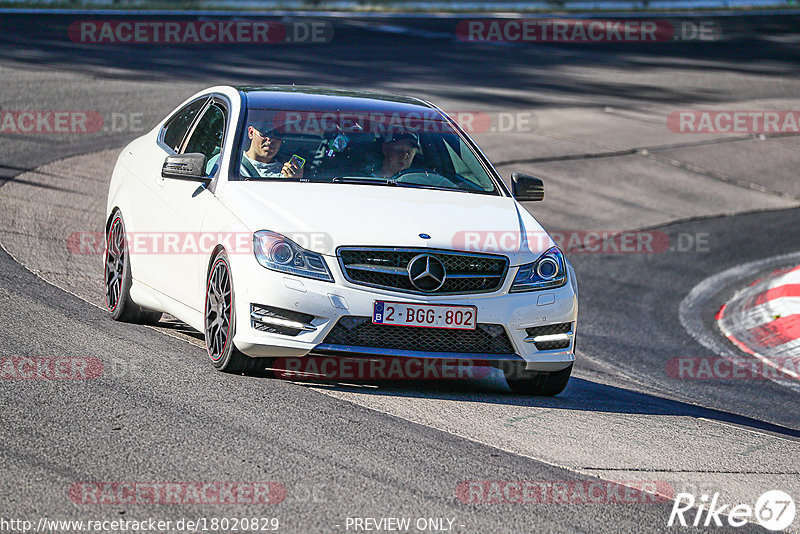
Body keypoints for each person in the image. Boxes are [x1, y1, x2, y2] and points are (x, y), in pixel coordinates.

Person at [205, 122, 304, 179]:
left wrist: (295, 181)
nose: (270, 139)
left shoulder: (287, 172)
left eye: (277, 135)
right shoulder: (225, 162)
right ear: (251, 133)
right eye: (265, 133)